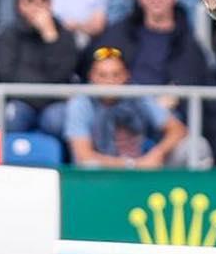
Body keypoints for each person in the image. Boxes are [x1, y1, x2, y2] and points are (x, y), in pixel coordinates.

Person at [63, 45, 191, 170]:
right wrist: (134, 165)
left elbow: (178, 129)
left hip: (144, 166)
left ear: (126, 75)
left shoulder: (137, 94)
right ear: (91, 76)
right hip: (102, 175)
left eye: (116, 75)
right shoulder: (81, 103)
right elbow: (83, 157)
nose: (109, 82)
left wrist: (157, 153)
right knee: (89, 165)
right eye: (103, 75)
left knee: (194, 146)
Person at [0, 0, 78, 137]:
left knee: (58, 120)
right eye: (30, 0)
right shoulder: (8, 34)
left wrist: (50, 37)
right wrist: (42, 88)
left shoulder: (64, 35)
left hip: (54, 103)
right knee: (11, 118)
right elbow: (6, 75)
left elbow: (62, 75)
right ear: (20, 5)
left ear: (51, 3)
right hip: (20, 101)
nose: (38, 6)